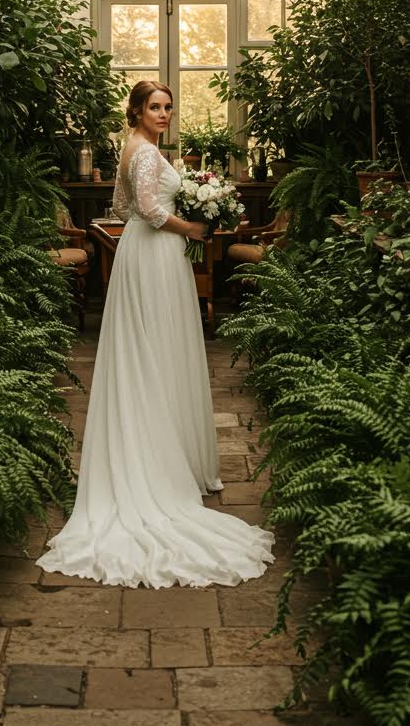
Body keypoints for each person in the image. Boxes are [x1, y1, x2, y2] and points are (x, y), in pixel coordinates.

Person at [36, 80, 274, 588]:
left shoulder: (135, 149)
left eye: (168, 106)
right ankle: (154, 466)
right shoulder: (144, 154)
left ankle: (157, 447)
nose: (163, 114)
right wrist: (190, 227)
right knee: (156, 351)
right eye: (154, 107)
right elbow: (144, 210)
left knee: (148, 351)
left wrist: (187, 210)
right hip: (157, 254)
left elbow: (120, 209)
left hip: (141, 256)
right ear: (138, 111)